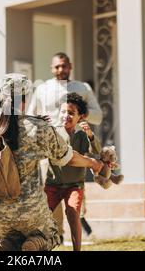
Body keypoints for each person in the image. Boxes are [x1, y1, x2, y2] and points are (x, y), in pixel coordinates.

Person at [0, 73, 105, 251]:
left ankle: (5, 244)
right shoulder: (38, 127)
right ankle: (35, 242)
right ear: (26, 98)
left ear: (1, 97)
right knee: (51, 234)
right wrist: (93, 163)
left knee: (9, 236)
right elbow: (68, 158)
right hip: (32, 215)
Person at [27, 52, 103, 240]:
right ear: (51, 68)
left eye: (64, 66)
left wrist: (79, 114)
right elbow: (29, 118)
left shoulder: (82, 88)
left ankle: (77, 227)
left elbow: (98, 116)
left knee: (73, 193)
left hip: (74, 145)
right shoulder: (42, 89)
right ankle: (57, 235)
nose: (61, 70)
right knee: (49, 190)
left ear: (70, 66)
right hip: (49, 148)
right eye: (57, 66)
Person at [44, 93, 101, 251]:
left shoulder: (82, 135)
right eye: (63, 112)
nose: (66, 116)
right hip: (52, 185)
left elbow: (97, 151)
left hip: (74, 185)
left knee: (72, 212)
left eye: (71, 113)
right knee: (43, 216)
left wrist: (90, 134)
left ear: (80, 117)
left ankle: (77, 249)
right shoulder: (53, 132)